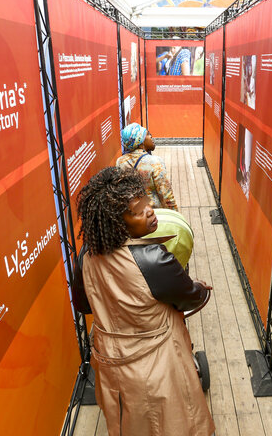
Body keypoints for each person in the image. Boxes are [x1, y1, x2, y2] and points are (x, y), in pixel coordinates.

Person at [71, 167, 214, 436]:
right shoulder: (153, 258)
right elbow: (188, 297)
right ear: (116, 222)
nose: (150, 211)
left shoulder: (87, 255)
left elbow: (84, 305)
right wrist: (202, 290)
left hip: (111, 362)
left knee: (128, 422)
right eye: (138, 211)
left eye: (147, 203)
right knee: (169, 422)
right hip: (156, 362)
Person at [116, 122, 178, 210]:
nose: (151, 137)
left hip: (135, 214)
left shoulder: (120, 162)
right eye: (148, 134)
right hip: (154, 214)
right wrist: (176, 216)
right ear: (140, 141)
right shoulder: (155, 162)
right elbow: (166, 194)